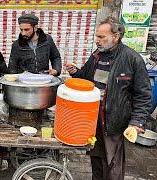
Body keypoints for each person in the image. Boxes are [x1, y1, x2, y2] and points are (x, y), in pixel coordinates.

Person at [65, 17, 152, 180]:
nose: (97, 40)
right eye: (96, 36)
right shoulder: (97, 56)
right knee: (96, 159)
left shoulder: (132, 59)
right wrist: (76, 72)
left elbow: (144, 95)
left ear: (116, 36)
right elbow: (87, 78)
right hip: (93, 118)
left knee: (112, 164)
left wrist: (137, 122)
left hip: (114, 121)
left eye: (101, 37)